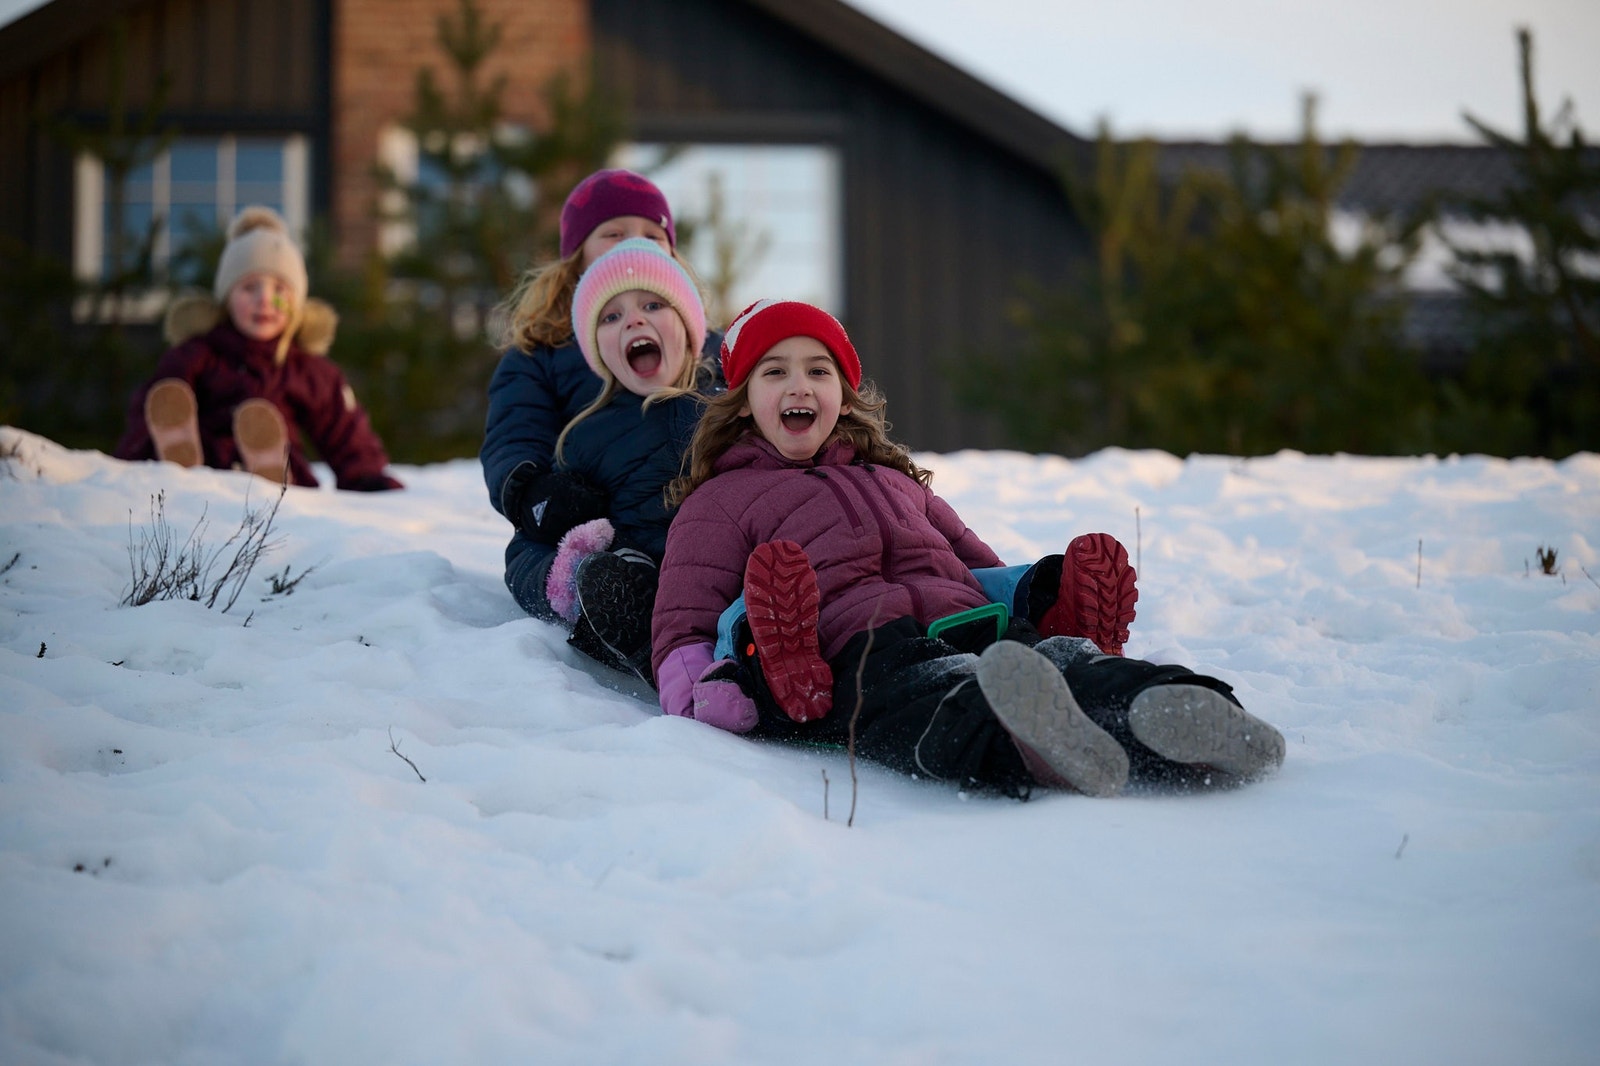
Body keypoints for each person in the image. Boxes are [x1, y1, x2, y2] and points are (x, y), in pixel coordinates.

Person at [652, 299, 1285, 798]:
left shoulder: (893, 480)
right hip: (846, 647)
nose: (800, 386)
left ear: (843, 394)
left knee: (1048, 657)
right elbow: (681, 624)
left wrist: (1042, 589)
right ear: (741, 405)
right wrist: (705, 695)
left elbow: (978, 565)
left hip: (966, 616)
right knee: (923, 685)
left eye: (819, 371)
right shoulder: (721, 500)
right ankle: (1022, 739)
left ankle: (1174, 708)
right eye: (775, 371)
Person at [482, 175, 722, 677]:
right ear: (576, 257)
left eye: (652, 235)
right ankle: (589, 589)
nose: (634, 241)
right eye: (613, 232)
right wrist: (535, 494)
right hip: (592, 500)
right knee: (526, 554)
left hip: (699, 502)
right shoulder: (541, 353)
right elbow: (513, 431)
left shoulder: (710, 348)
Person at [114, 206, 403, 491]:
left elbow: (344, 430)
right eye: (250, 288)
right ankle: (177, 456)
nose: (264, 300)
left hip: (283, 473)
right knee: (170, 397)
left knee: (276, 447)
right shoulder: (200, 353)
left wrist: (367, 477)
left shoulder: (307, 369)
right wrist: (136, 454)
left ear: (297, 304)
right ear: (227, 298)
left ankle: (270, 471)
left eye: (279, 290)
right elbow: (155, 406)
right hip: (206, 470)